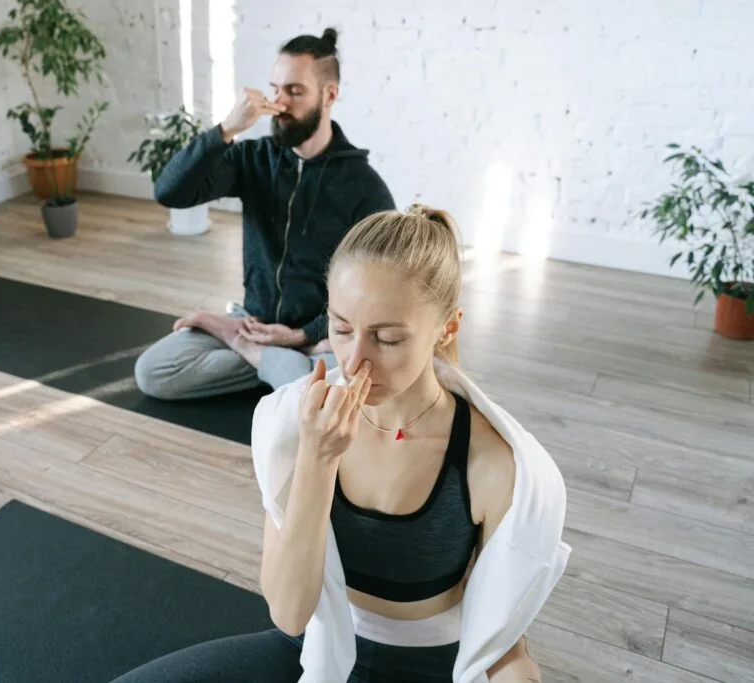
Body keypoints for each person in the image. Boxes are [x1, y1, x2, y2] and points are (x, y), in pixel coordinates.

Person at [110, 205, 571, 682]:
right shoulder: (292, 424)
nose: (354, 360)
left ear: (447, 328)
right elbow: (290, 613)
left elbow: (502, 635)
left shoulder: (496, 463)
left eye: (387, 338)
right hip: (315, 648)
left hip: (429, 667)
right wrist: (316, 456)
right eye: (342, 328)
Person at [133, 27, 396, 401]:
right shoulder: (254, 159)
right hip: (252, 323)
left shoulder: (364, 187)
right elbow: (170, 192)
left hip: (320, 336)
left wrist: (303, 336)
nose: (279, 103)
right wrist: (226, 130)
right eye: (275, 89)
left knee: (345, 375)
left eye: (294, 91)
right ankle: (281, 368)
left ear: (330, 95)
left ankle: (267, 359)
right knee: (153, 372)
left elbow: (378, 293)